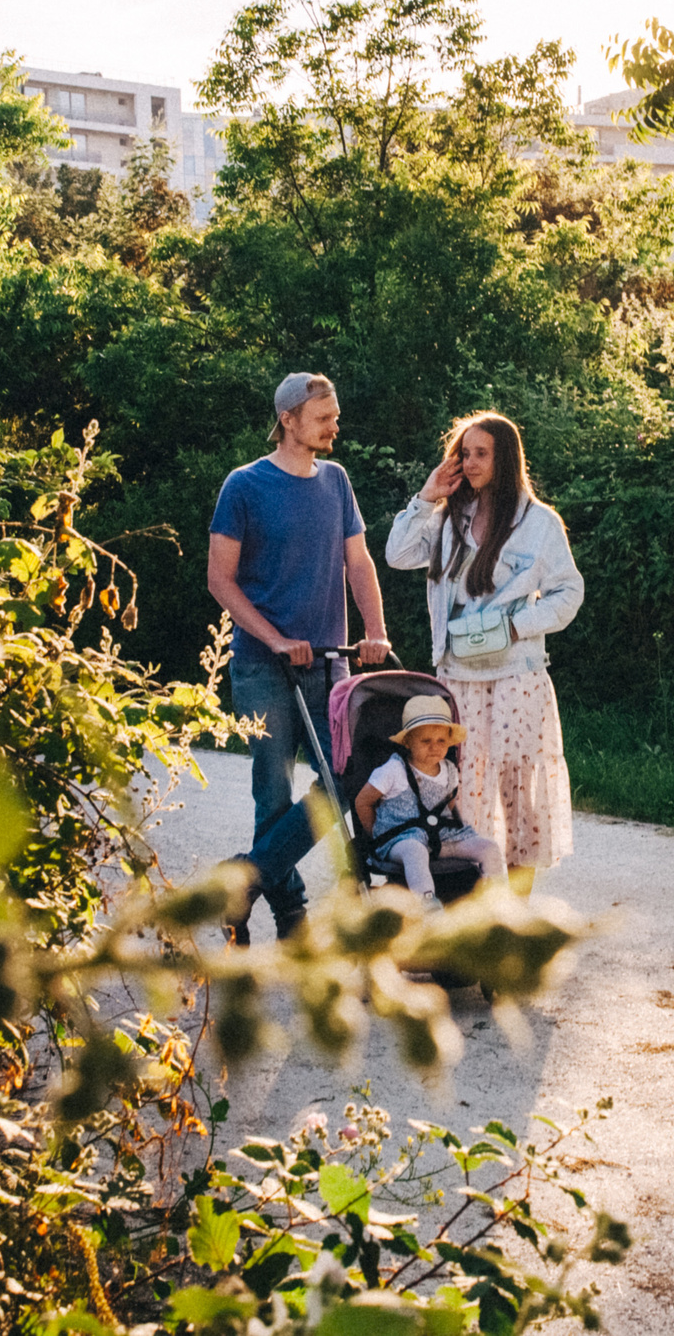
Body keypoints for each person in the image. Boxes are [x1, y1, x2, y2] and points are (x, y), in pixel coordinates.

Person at [207, 372, 391, 942]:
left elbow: (358, 563)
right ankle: (292, 917)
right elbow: (221, 580)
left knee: (341, 780)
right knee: (272, 792)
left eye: (334, 415)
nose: (335, 426)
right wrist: (276, 639)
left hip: (331, 665)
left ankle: (247, 877)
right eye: (323, 418)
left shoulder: (337, 482)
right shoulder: (244, 487)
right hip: (264, 666)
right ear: (288, 420)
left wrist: (375, 630)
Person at [384, 410, 583, 894]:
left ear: (505, 458)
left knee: (519, 804)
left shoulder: (538, 524)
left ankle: (512, 927)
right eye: (463, 453)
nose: (469, 463)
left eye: (480, 454)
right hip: (458, 677)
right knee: (462, 799)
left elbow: (568, 592)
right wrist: (428, 496)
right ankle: (470, 918)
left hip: (517, 676)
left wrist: (517, 626)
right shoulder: (449, 517)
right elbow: (396, 555)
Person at [353, 694, 505, 909]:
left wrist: (461, 829)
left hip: (441, 837)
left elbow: (450, 805)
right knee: (416, 851)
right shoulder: (393, 770)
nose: (434, 747)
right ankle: (427, 906)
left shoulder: (450, 771)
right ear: (408, 742)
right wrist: (377, 835)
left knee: (488, 847)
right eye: (426, 741)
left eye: (441, 741)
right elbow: (363, 802)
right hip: (402, 840)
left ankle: (497, 901)